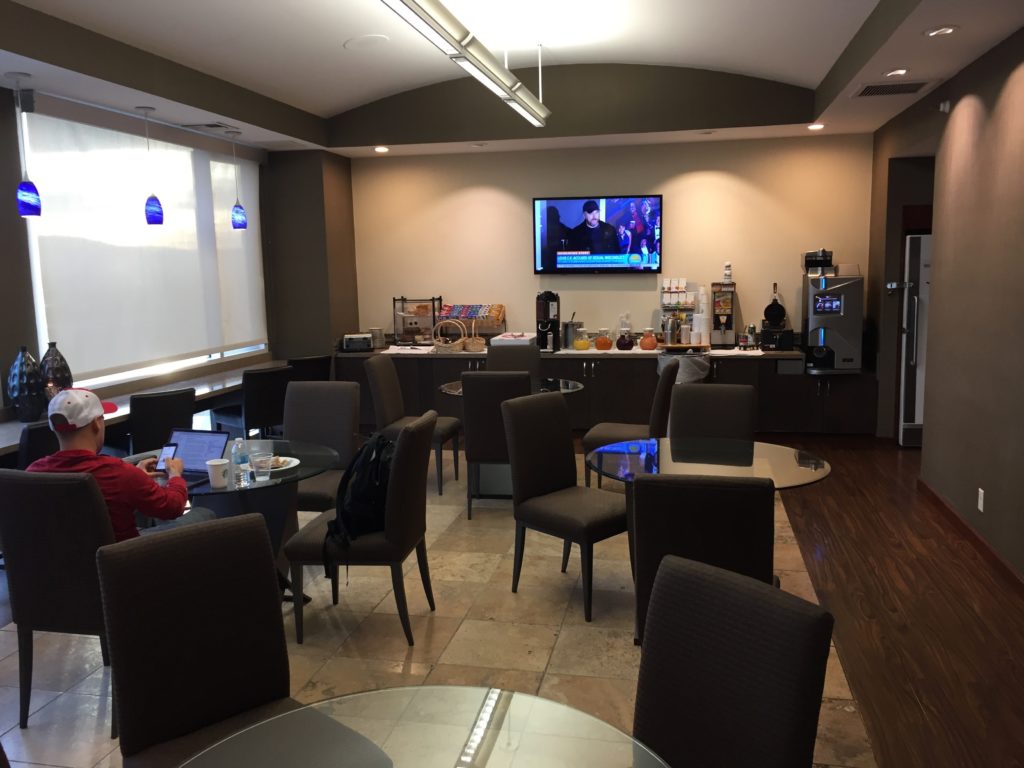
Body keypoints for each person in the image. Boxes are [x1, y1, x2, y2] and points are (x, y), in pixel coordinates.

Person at [27, 388, 215, 541]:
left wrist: (136, 477)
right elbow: (172, 508)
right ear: (96, 424)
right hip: (124, 563)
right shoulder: (117, 473)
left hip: (61, 573)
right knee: (205, 514)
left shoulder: (33, 474)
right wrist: (175, 475)